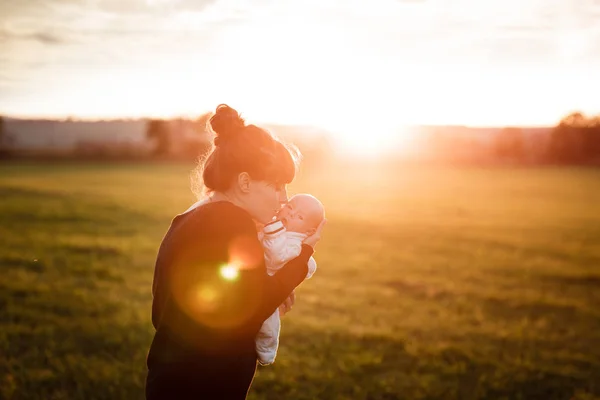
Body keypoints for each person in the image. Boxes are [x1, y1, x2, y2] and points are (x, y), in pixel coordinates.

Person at [145, 104, 326, 399]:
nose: (283, 199)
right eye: (277, 186)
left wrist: (267, 291)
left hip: (172, 382)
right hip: (201, 388)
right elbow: (249, 310)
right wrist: (301, 258)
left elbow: (165, 311)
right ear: (244, 182)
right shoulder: (232, 223)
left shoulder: (188, 219)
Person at [256, 194, 325, 365]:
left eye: (299, 217)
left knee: (268, 325)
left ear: (308, 231)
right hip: (260, 278)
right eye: (290, 207)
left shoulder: (295, 242)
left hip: (273, 278)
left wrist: (273, 231)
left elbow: (277, 257)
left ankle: (267, 351)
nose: (290, 215)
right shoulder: (274, 222)